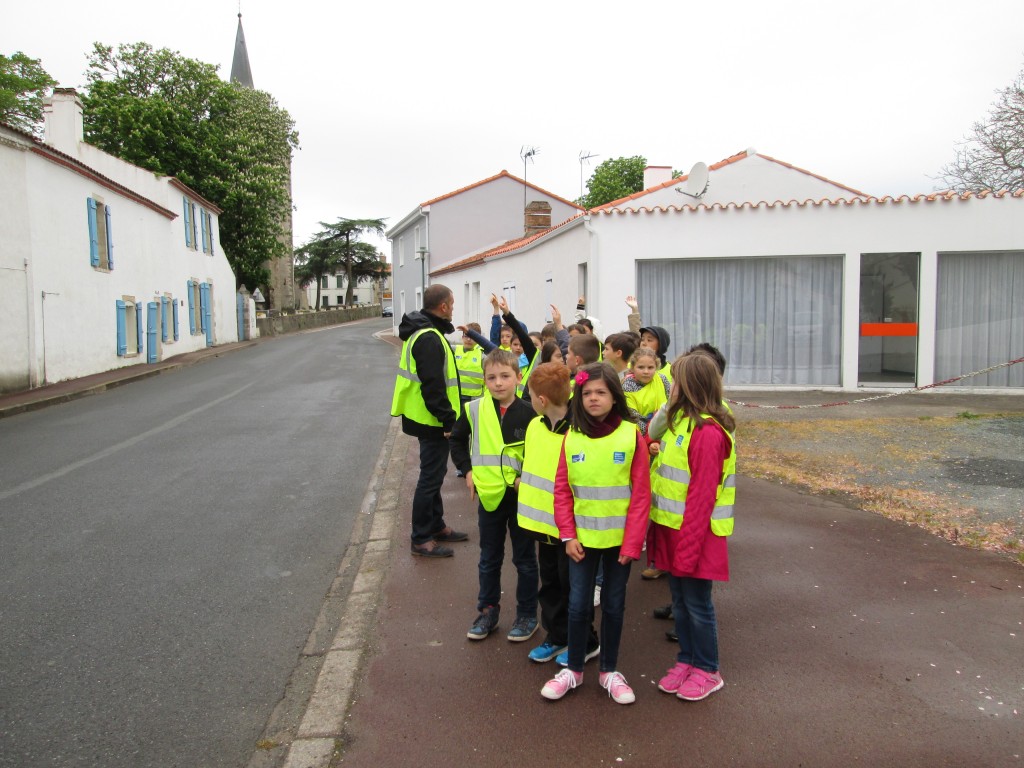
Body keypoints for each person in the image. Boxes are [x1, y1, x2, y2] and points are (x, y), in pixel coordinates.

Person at [540, 363, 651, 705]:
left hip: (619, 545)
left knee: (614, 606)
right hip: (581, 543)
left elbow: (641, 494)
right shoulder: (571, 437)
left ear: (615, 396)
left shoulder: (631, 436)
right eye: (586, 393)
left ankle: (609, 671)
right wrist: (568, 535)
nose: (593, 398)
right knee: (577, 606)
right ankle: (574, 670)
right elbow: (562, 490)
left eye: (601, 392)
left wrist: (633, 543)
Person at [649, 353, 736, 702]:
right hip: (675, 531)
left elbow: (701, 497)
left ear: (689, 387)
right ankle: (687, 660)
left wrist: (687, 550)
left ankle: (708, 669)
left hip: (696, 536)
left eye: (675, 382)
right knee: (681, 604)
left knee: (698, 606)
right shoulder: (681, 422)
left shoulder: (708, 432)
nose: (669, 388)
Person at [449, 350, 539, 642]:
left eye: (505, 376)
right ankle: (488, 611)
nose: (498, 383)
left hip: (521, 498)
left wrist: (527, 479)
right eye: (491, 377)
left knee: (525, 559)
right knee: (489, 558)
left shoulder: (531, 413)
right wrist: (467, 471)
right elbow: (457, 441)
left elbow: (541, 455)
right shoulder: (473, 409)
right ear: (484, 380)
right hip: (489, 497)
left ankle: (527, 615)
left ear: (519, 377)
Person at [516, 363, 599, 664]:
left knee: (574, 587)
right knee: (550, 583)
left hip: (571, 529)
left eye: (530, 395)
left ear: (541, 400)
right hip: (543, 527)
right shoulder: (535, 426)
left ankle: (586, 641)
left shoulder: (579, 432)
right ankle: (558, 635)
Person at [391, 284, 469, 558]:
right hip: (432, 420)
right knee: (430, 478)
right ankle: (421, 538)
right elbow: (433, 386)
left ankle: (436, 526)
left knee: (434, 475)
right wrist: (448, 421)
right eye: (452, 304)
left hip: (427, 418)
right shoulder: (428, 337)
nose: (453, 308)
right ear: (443, 306)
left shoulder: (426, 331)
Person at [454, 322, 485, 404]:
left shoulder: (482, 356)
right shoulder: (453, 350)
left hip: (474, 399)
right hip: (455, 396)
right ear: (462, 337)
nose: (468, 339)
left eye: (472, 337)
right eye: (466, 336)